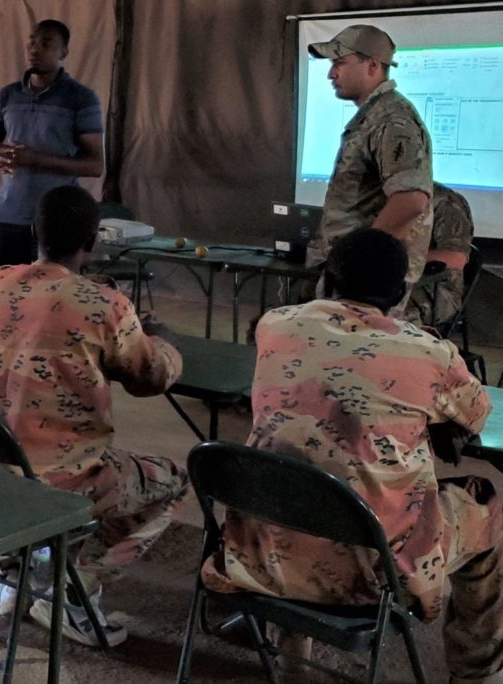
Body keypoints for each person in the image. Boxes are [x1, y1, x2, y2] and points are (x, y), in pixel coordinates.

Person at [203, 228, 501, 684]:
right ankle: (477, 676)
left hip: (263, 555)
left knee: (305, 477)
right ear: (402, 293)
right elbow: (477, 414)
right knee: (492, 520)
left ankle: (290, 658)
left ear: (326, 280)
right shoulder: (429, 353)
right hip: (375, 574)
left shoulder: (275, 326)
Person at [0, 185, 187, 646]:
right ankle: (73, 591)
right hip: (63, 479)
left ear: (34, 231)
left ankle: (14, 577)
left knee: (23, 458)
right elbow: (151, 378)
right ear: (92, 240)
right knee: (172, 484)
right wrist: (161, 339)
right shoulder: (105, 305)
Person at [305, 25, 432, 317]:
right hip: (354, 280)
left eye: (339, 62)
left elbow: (411, 200)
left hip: (366, 286)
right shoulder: (375, 116)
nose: (331, 73)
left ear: (372, 65)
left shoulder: (391, 120)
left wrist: (361, 264)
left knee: (355, 358)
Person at [0, 19, 104, 270]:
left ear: (64, 52)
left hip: (56, 223)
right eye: (31, 43)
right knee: (0, 294)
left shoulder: (80, 98)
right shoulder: (7, 95)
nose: (35, 50)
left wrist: (36, 160)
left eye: (46, 44)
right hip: (8, 216)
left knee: (53, 298)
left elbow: (95, 165)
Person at [407, 182, 475, 327]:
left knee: (382, 309)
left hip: (434, 286)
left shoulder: (445, 202)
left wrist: (401, 260)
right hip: (387, 281)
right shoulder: (374, 196)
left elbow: (456, 259)